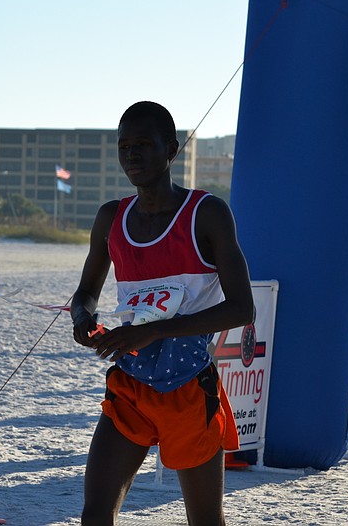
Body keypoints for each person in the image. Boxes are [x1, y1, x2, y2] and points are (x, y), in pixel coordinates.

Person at [71, 101, 253, 526]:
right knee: (95, 514)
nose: (131, 155)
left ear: (171, 149)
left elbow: (242, 308)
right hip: (131, 383)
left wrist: (153, 333)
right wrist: (84, 322)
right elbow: (84, 295)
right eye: (124, 146)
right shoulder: (110, 218)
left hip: (190, 386)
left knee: (205, 521)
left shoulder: (206, 214)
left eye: (143, 145)